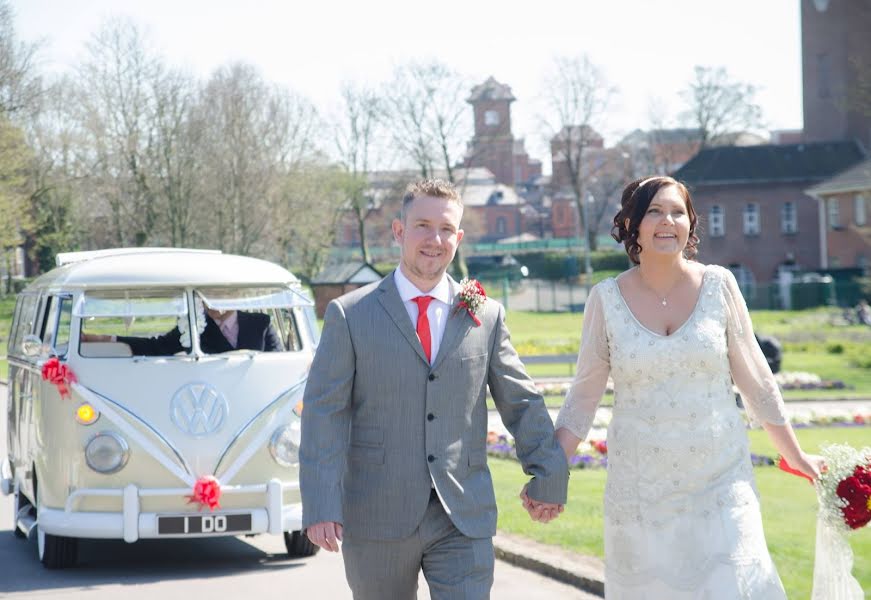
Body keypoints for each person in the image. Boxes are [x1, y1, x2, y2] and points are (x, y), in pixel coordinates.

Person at [553, 176, 826, 599]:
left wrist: (797, 456)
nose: (668, 221)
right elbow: (583, 398)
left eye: (677, 212)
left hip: (721, 483)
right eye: (654, 212)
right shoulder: (605, 299)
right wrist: (551, 473)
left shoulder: (720, 286)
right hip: (640, 493)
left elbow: (758, 384)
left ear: (691, 222)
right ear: (633, 224)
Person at [299, 178, 568, 600]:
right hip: (377, 517)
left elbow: (522, 401)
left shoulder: (485, 314)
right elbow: (323, 414)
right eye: (422, 225)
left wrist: (548, 473)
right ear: (398, 230)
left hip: (462, 515)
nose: (434, 239)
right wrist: (320, 505)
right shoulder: (350, 316)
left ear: (458, 238)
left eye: (445, 229)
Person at [82, 307, 282, 354]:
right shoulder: (194, 325)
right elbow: (157, 346)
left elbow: (277, 358)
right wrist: (105, 339)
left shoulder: (259, 323)